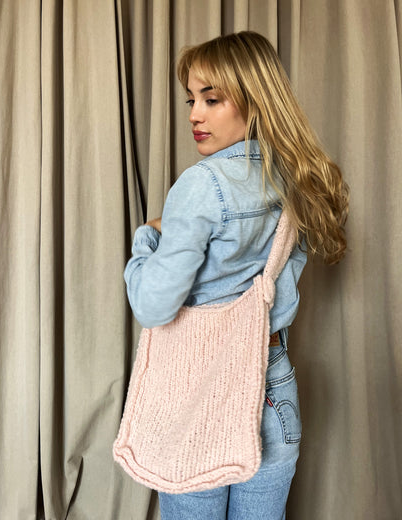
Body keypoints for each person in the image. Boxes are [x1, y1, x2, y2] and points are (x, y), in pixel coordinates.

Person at [123, 31, 349, 520]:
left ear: (255, 99)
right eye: (191, 100)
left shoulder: (203, 184)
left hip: (201, 394)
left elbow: (153, 306)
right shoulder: (295, 177)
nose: (194, 115)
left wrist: (147, 238)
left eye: (212, 99)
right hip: (273, 389)